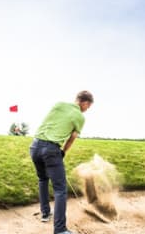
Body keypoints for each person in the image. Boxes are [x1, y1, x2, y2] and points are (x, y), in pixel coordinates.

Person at [30, 91, 94, 234]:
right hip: (51, 149)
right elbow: (72, 138)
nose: (87, 109)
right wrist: (63, 152)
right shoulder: (80, 117)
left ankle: (45, 213)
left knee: (42, 179)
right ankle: (60, 230)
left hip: (34, 146)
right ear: (85, 103)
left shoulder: (58, 104)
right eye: (88, 107)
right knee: (60, 190)